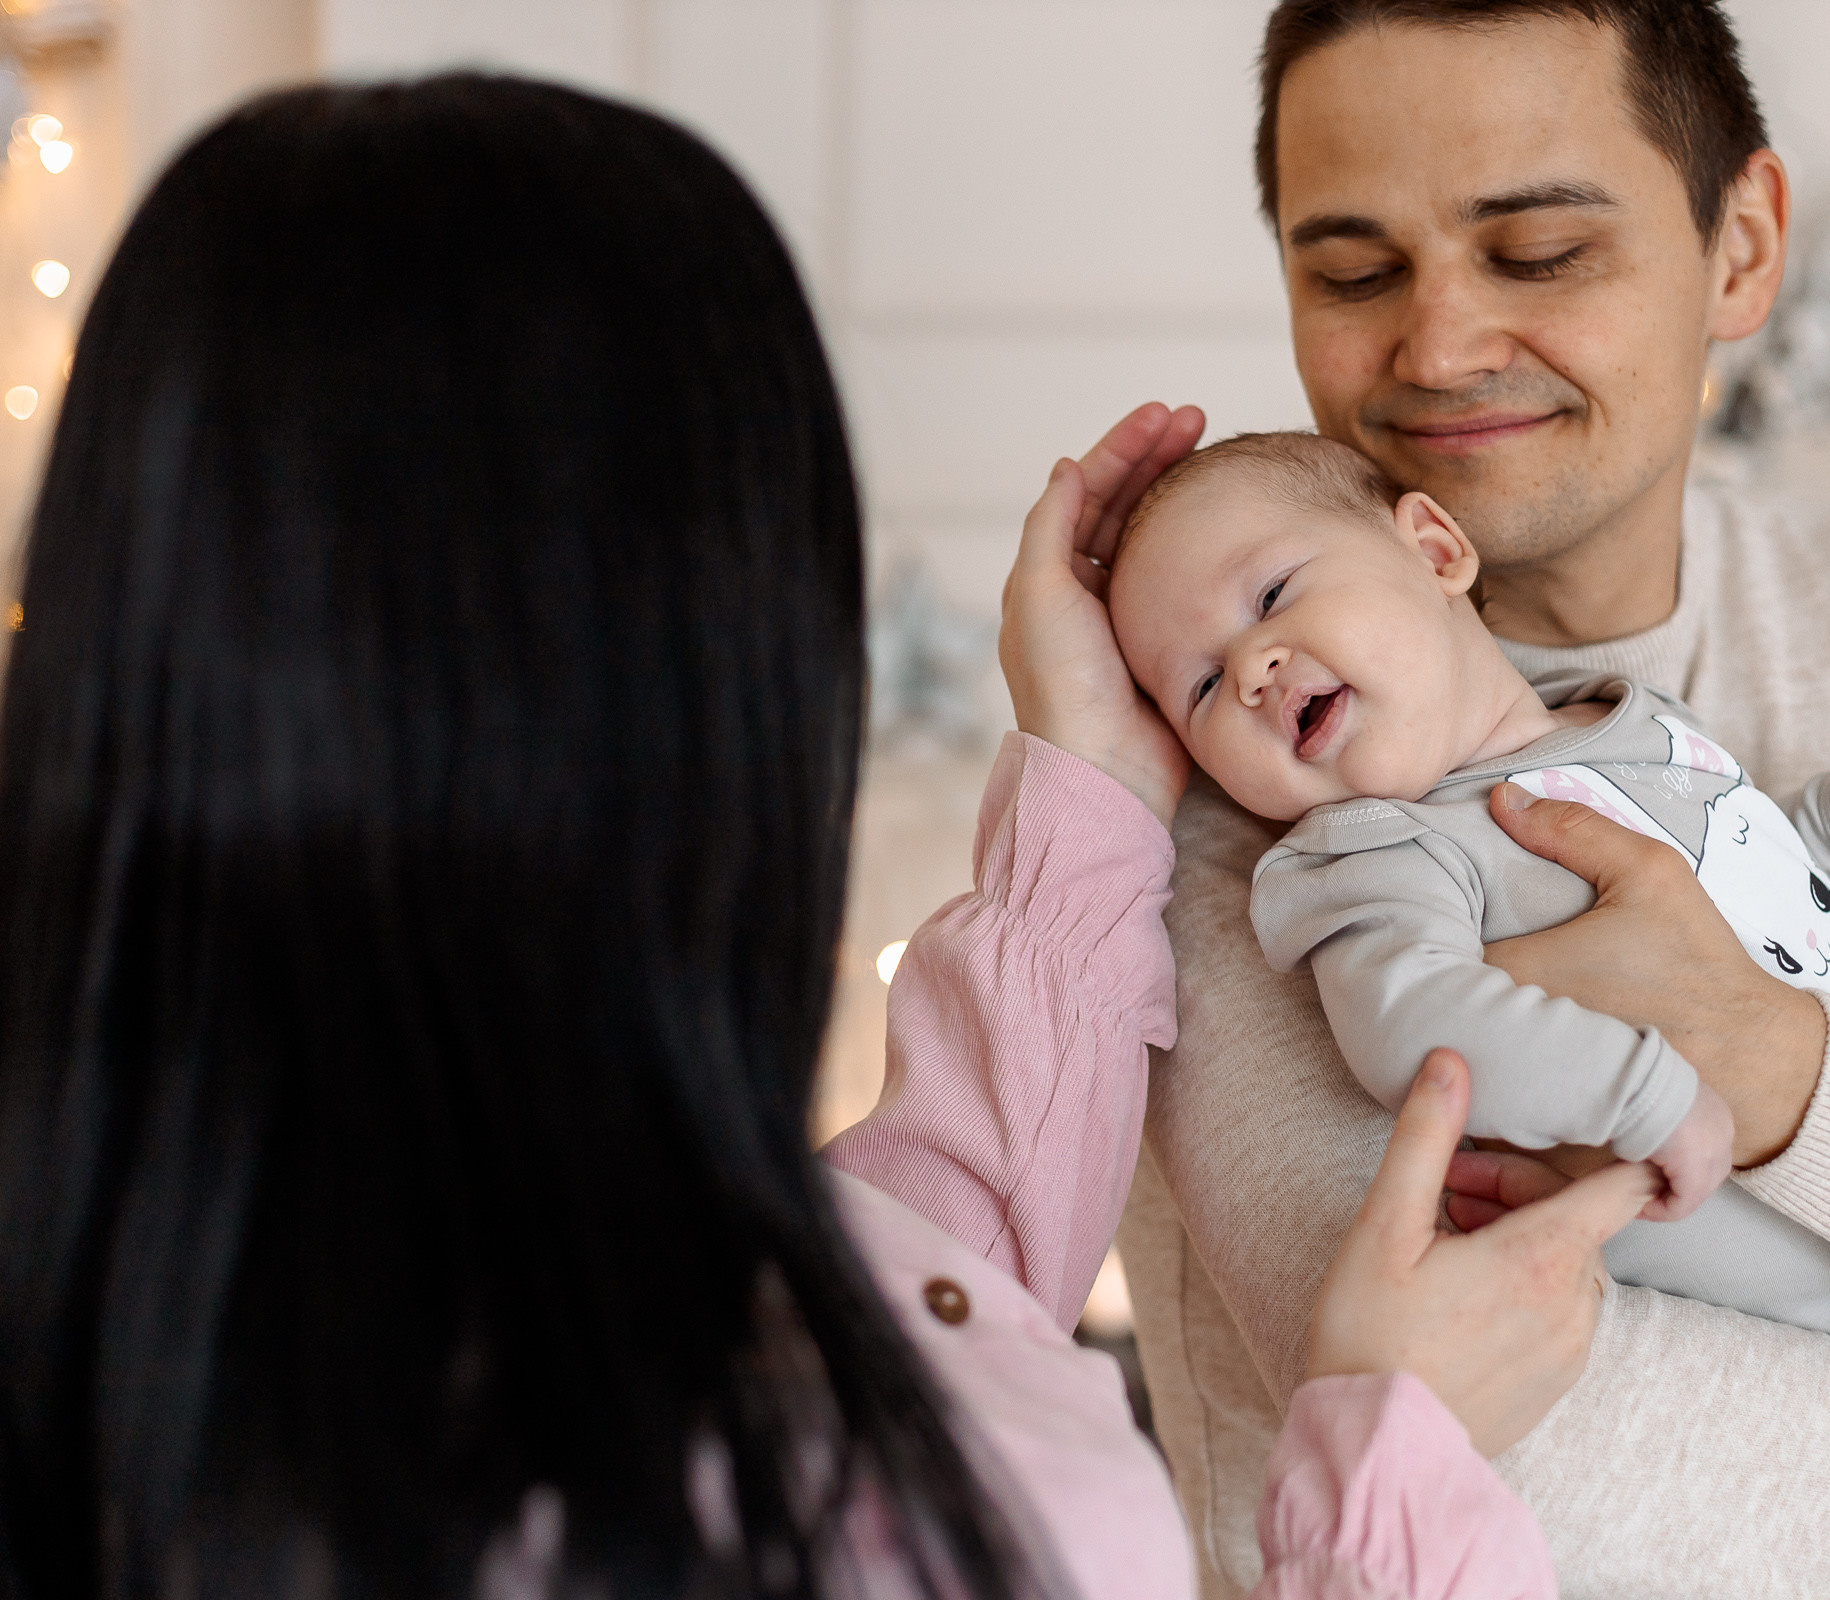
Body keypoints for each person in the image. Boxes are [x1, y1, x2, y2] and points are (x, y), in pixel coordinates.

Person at [0, 75, 1665, 1600]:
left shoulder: (204, 1314)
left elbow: (934, 1275)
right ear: (693, 681)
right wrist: (1388, 1479)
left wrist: (1091, 770)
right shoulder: (727, 1492)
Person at [1080, 3, 1830, 1596]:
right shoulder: (1228, 789)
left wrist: (1772, 1058)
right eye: (1352, 272)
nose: (1441, 345)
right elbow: (1507, 1457)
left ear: (1740, 248)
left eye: (1536, 251)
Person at [1104, 427, 1830, 1362]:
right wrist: (1637, 1095)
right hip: (1825, 1321)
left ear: (1433, 550)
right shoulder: (1377, 852)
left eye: (1271, 596)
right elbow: (1412, 1024)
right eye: (1201, 686)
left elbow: (1753, 894)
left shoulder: (1632, 719)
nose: (1251, 670)